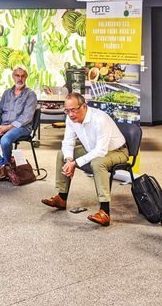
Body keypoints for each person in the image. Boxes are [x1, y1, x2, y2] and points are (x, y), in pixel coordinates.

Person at [41, 93, 128, 226]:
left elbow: (101, 151)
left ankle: (105, 212)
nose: (70, 114)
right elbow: (68, 141)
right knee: (62, 154)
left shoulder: (100, 119)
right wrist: (69, 160)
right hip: (91, 149)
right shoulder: (70, 118)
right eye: (67, 110)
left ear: (84, 106)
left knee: (98, 162)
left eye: (73, 110)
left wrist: (75, 163)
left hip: (117, 151)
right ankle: (61, 198)